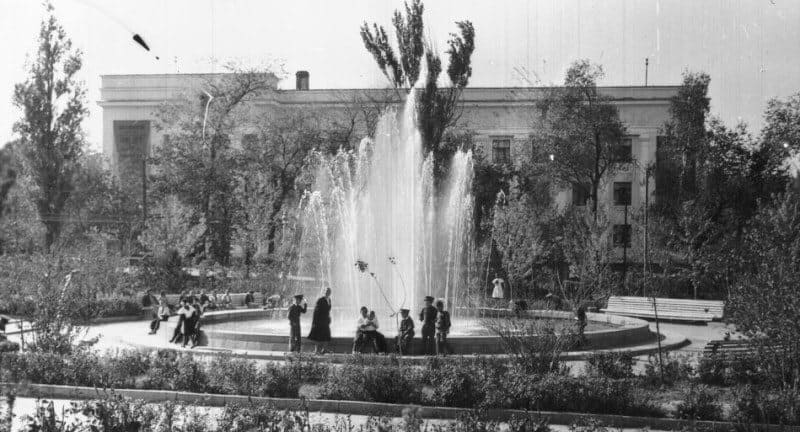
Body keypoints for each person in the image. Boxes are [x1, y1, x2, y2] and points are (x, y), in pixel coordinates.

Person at [308, 287, 332, 354]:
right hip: (319, 321)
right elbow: (316, 311)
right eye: (326, 291)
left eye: (329, 291)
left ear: (330, 293)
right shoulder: (320, 300)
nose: (327, 292)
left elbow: (328, 310)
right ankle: (316, 350)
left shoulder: (329, 300)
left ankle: (324, 349)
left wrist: (328, 318)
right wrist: (315, 321)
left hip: (325, 321)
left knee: (327, 334)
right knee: (318, 335)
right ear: (324, 292)